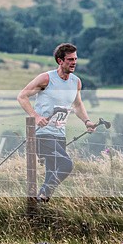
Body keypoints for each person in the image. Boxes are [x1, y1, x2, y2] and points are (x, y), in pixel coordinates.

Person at [17, 43, 98, 201]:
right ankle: (42, 194)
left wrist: (87, 121)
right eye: (69, 59)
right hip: (42, 134)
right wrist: (36, 116)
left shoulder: (76, 82)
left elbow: (78, 104)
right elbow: (22, 96)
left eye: (75, 59)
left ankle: (38, 205)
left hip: (60, 134)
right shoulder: (47, 79)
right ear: (60, 61)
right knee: (66, 165)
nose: (74, 62)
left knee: (51, 174)